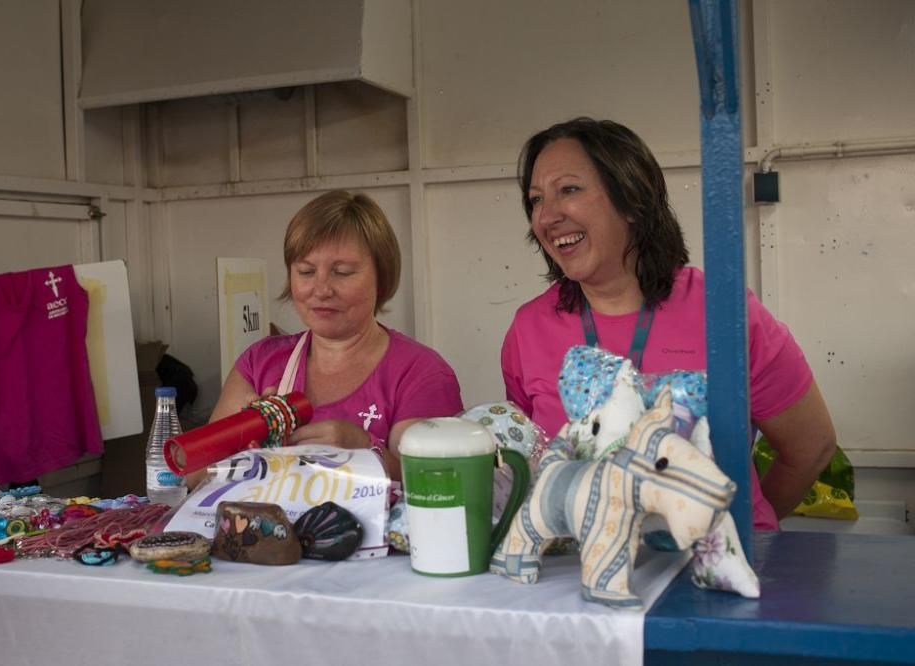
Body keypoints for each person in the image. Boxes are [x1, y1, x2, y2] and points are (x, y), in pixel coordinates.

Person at [501, 117, 836, 530]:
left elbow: (811, 447)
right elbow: (532, 456)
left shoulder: (723, 311)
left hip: (708, 574)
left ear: (631, 199)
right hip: (582, 572)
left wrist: (741, 524)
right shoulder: (529, 328)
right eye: (535, 200)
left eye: (568, 190)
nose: (546, 216)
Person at [189, 190, 463, 488]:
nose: (321, 289)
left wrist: (364, 449)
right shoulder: (260, 363)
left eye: (342, 273)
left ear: (382, 278)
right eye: (306, 271)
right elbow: (192, 476)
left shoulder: (421, 373)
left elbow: (439, 486)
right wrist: (240, 437)